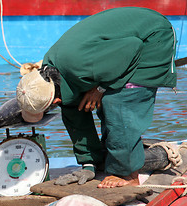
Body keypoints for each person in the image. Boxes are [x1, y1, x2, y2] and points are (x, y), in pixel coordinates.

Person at [16, 7, 177, 188]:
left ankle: (128, 175)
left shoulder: (77, 63)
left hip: (152, 37)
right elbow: (74, 114)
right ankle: (101, 158)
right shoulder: (50, 72)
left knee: (115, 100)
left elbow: (132, 47)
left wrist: (100, 88)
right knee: (78, 102)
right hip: (117, 51)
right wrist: (88, 164)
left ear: (55, 101)